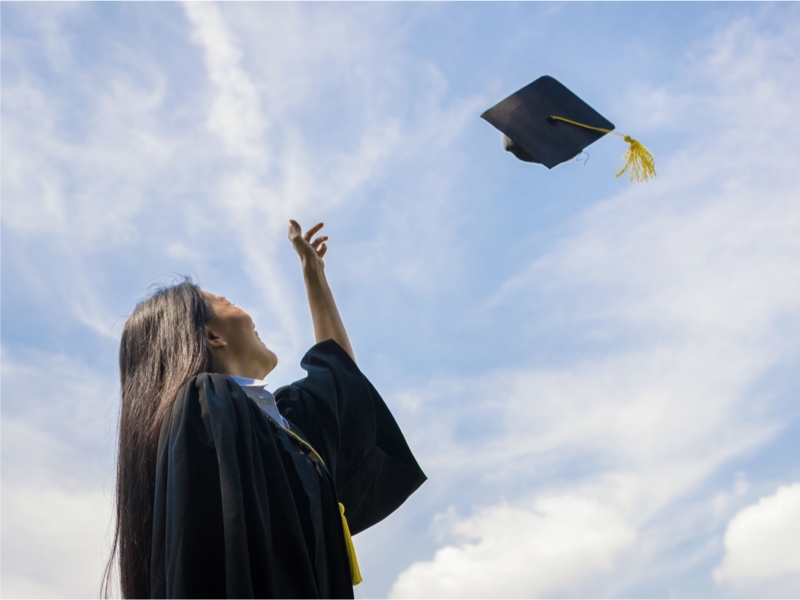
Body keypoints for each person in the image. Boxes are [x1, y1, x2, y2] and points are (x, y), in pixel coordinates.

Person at [103, 220, 426, 599]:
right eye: (228, 303)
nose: (248, 314)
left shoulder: (279, 424)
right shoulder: (207, 406)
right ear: (211, 336)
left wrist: (314, 276)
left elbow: (341, 383)